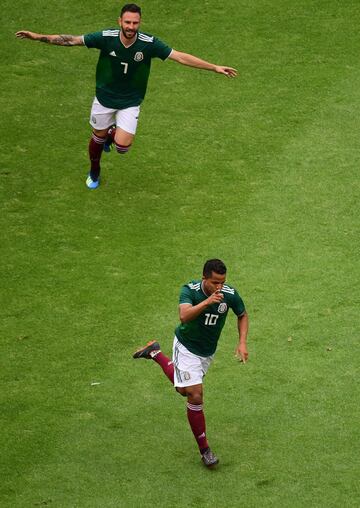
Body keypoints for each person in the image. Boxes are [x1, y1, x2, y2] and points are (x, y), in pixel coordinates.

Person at [16, 3, 237, 190]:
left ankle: (112, 134)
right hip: (104, 98)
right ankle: (95, 171)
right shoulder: (106, 38)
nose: (131, 27)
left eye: (135, 23)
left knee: (122, 147)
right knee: (97, 136)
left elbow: (179, 57)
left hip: (130, 101)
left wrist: (214, 67)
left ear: (139, 23)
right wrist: (37, 37)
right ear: (120, 21)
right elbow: (70, 40)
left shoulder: (149, 44)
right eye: (127, 22)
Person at [133, 259, 249, 468]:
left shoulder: (229, 294)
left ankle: (155, 353)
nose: (219, 287)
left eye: (222, 282)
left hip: (207, 352)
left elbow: (242, 314)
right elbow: (184, 316)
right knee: (195, 393)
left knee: (182, 389)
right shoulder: (189, 290)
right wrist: (207, 302)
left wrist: (242, 342)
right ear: (204, 278)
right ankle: (205, 451)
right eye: (214, 282)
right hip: (186, 347)